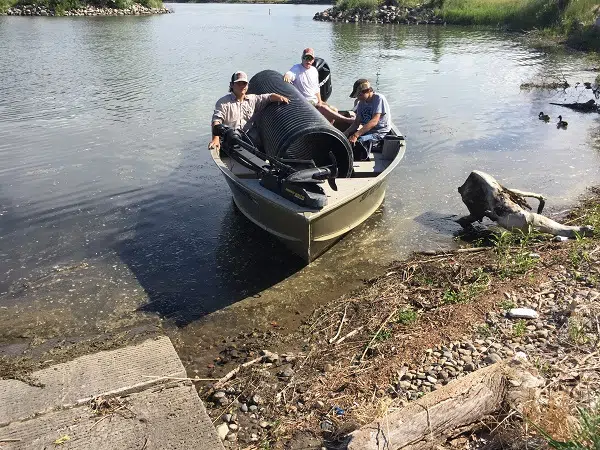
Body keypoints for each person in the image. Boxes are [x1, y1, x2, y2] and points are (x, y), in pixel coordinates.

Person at [208, 71, 289, 151]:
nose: (242, 86)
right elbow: (216, 121)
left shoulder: (253, 99)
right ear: (231, 85)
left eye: (244, 83)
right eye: (239, 83)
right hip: (230, 140)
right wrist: (215, 139)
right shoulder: (223, 102)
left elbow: (268, 97)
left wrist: (279, 97)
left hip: (249, 141)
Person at [283, 48, 354, 126]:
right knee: (323, 108)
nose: (308, 61)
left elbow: (316, 88)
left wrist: (320, 101)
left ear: (313, 60)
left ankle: (328, 129)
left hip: (315, 101)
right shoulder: (297, 68)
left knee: (334, 110)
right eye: (306, 58)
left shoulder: (314, 70)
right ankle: (346, 120)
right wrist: (287, 76)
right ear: (302, 58)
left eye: (310, 58)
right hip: (304, 102)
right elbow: (290, 73)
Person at [344, 79, 391, 161]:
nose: (358, 98)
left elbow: (374, 121)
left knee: (359, 141)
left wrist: (356, 135)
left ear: (368, 91)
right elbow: (356, 123)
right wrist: (346, 133)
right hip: (368, 131)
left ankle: (361, 159)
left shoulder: (378, 99)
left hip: (380, 132)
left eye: (360, 95)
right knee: (347, 138)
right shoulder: (361, 103)